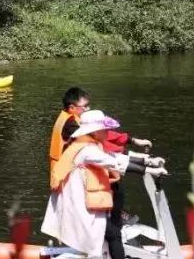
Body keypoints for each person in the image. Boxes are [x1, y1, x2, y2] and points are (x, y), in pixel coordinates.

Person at [41, 110, 168, 259]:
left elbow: (116, 157)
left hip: (80, 205)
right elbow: (113, 163)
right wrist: (149, 170)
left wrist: (148, 161)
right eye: (104, 129)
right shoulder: (86, 150)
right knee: (114, 234)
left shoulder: (89, 145)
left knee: (113, 235)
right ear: (94, 131)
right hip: (77, 207)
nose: (107, 132)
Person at [49, 87, 155, 225]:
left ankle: (115, 217)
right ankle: (114, 218)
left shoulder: (74, 119)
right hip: (68, 174)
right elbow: (105, 148)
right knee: (113, 185)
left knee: (112, 183)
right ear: (72, 108)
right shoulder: (71, 126)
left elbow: (105, 135)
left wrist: (132, 140)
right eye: (85, 106)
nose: (88, 109)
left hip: (72, 168)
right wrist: (139, 158)